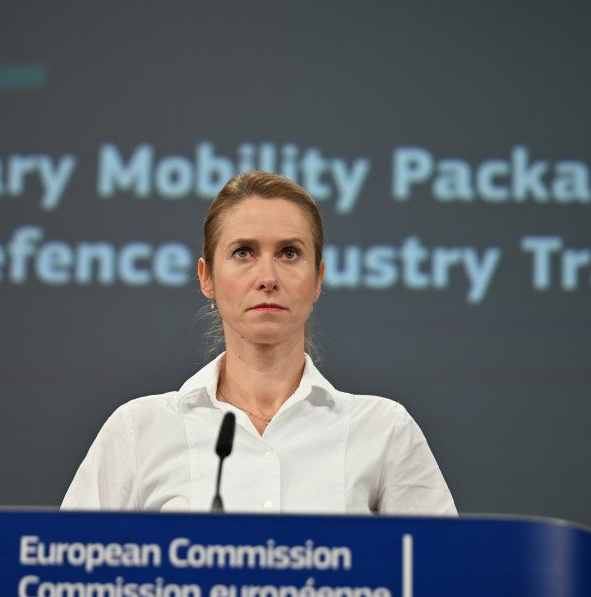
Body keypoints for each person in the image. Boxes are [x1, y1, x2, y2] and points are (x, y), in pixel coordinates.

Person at [61, 171, 456, 515]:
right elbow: (70, 566)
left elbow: (443, 570)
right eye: (243, 252)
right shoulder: (138, 431)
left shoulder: (383, 431)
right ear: (206, 278)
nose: (267, 277)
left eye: (289, 253)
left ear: (318, 279)